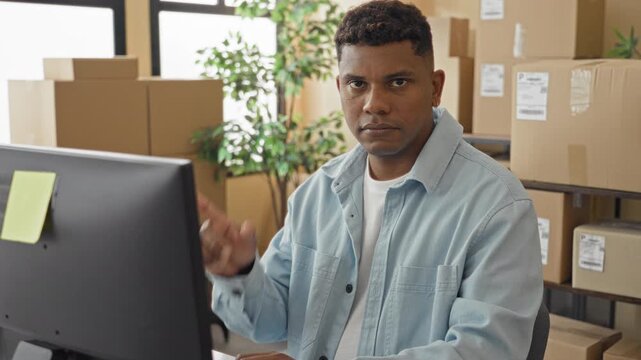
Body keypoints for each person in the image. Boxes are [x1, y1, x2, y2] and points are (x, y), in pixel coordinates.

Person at [199, 1, 543, 359]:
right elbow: (270, 323)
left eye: (397, 82)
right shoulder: (317, 195)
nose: (374, 103)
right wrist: (239, 272)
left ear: (435, 87)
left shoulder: (498, 206)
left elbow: (484, 352)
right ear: (340, 87)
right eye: (357, 84)